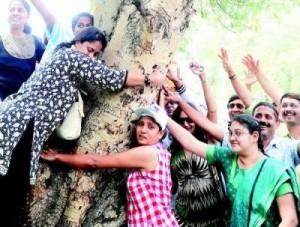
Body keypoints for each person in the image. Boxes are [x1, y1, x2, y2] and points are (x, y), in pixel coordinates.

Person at [0, 26, 165, 224]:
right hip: (23, 126)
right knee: (12, 188)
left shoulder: (60, 54)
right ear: (76, 42)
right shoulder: (72, 58)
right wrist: (150, 79)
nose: (91, 57)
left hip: (19, 123)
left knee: (14, 186)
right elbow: (111, 78)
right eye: (89, 49)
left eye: (96, 54)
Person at [41, 104, 178, 226]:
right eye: (141, 124)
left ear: (160, 134)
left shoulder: (147, 153)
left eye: (151, 127)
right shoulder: (162, 152)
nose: (143, 130)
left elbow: (95, 162)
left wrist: (58, 157)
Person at [168, 113, 300, 227]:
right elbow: (190, 143)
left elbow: (290, 220)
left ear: (254, 136)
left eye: (238, 133)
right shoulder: (227, 157)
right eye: (230, 133)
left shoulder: (275, 171)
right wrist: (163, 117)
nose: (231, 138)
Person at [170, 105, 228, 226]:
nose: (185, 124)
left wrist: (180, 100)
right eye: (180, 121)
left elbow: (212, 109)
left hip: (216, 216)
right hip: (186, 219)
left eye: (189, 119)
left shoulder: (209, 141)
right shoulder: (172, 150)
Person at [0, 0, 45, 100]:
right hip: (3, 101)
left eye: (20, 10)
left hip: (28, 101)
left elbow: (48, 64)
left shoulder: (35, 41)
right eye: (12, 10)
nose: (15, 13)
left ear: (27, 16)